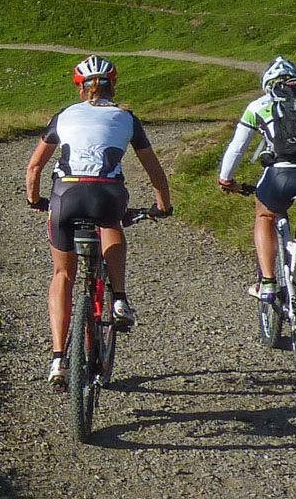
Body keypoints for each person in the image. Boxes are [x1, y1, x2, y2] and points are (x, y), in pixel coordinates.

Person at [27, 55, 173, 390]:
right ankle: (119, 297)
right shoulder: (126, 117)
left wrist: (35, 201)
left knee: (63, 274)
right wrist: (162, 205)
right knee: (112, 224)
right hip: (107, 195)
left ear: (79, 88)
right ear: (114, 84)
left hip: (66, 196)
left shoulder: (63, 116)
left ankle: (59, 360)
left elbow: (34, 168)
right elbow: (154, 170)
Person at [217, 56, 296, 327]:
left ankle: (267, 283)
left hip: (282, 175)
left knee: (265, 215)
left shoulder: (259, 105)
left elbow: (238, 148)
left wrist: (226, 179)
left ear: (268, 85)